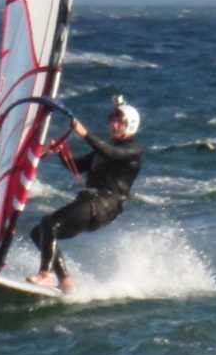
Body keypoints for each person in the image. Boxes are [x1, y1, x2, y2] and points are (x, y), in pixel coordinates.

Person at [27, 95, 145, 292]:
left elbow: (111, 153)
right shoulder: (104, 150)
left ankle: (45, 274)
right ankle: (65, 281)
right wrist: (61, 151)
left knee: (49, 223)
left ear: (130, 125)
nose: (113, 125)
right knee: (39, 233)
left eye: (119, 122)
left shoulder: (134, 150)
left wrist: (84, 133)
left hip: (104, 205)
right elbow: (76, 165)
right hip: (91, 203)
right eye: (112, 120)